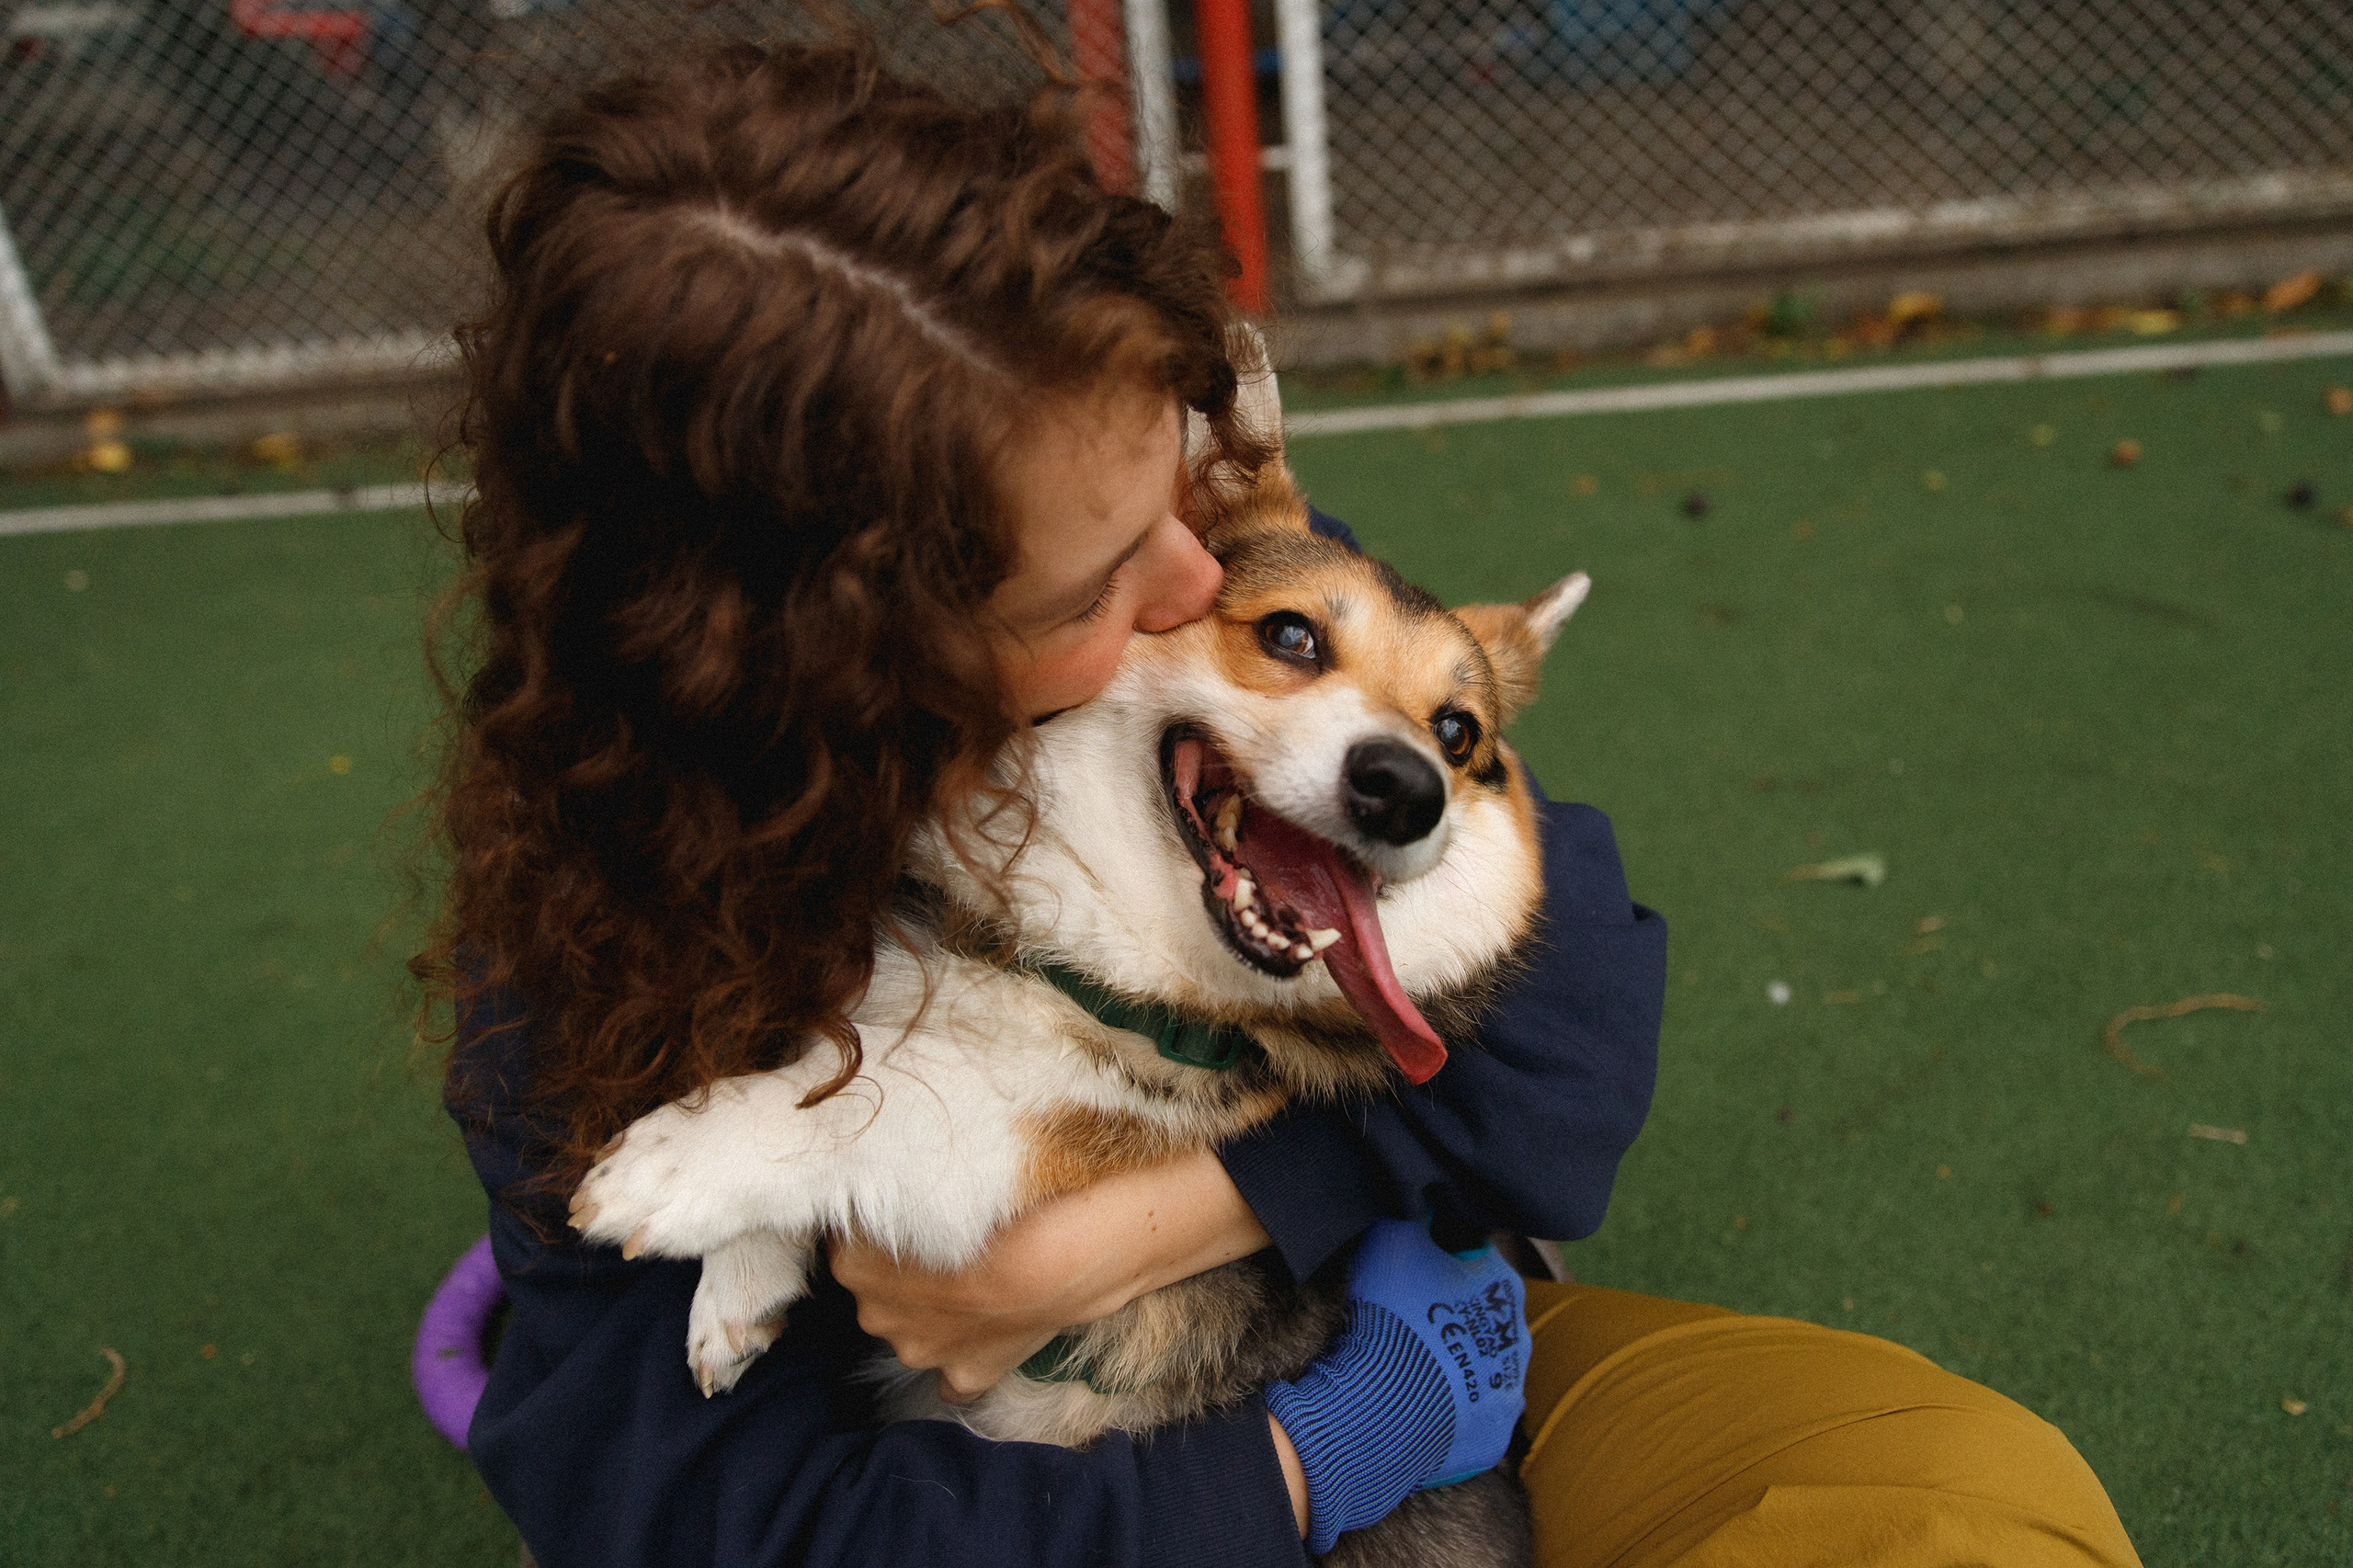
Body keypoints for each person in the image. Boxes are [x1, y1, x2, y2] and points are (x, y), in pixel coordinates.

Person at [418, 38, 2143, 1568]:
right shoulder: (573, 1007)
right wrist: (1309, 1461)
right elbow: (714, 1526)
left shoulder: (1204, 611)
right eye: (1097, 579)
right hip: (1036, 1497)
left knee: (1974, 1506)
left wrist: (1165, 1222)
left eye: (1179, 491)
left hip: (1400, 1354)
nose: (1202, 582)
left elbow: (1578, 1014)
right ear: (865, 675)